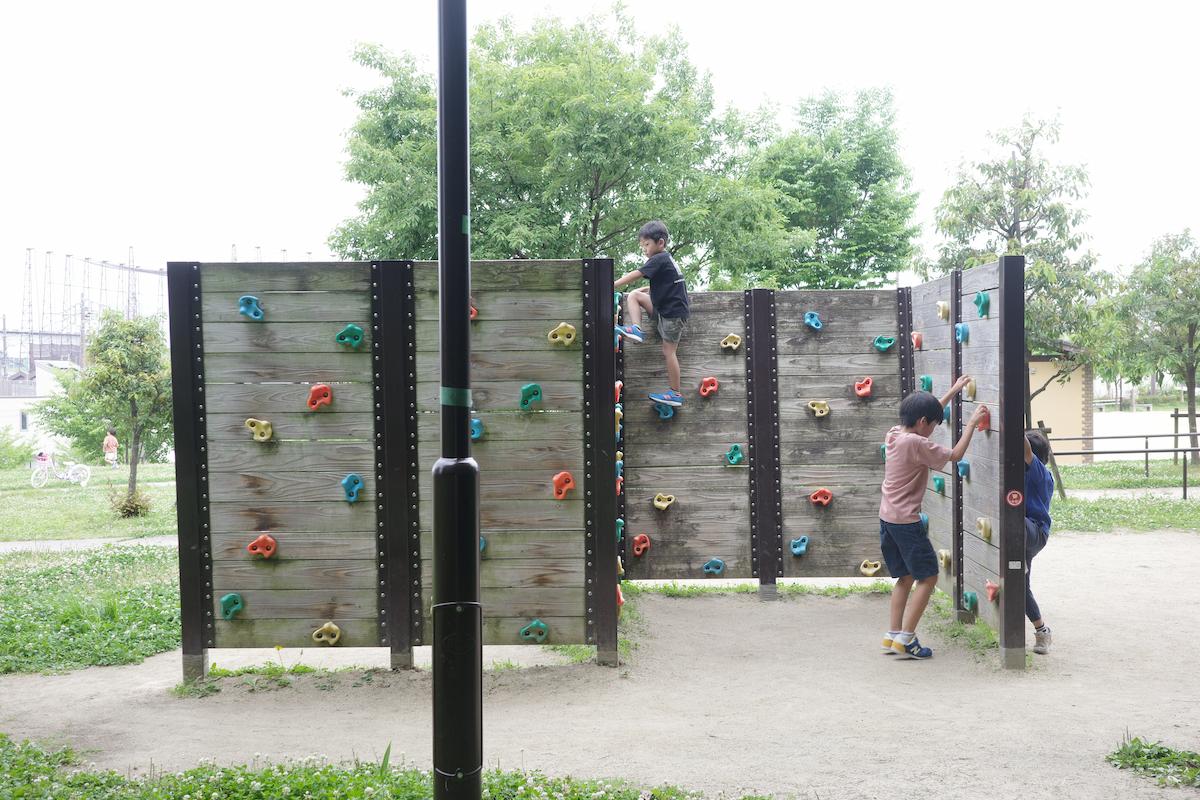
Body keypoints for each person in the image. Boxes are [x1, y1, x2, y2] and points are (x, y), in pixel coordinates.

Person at [879, 379, 987, 659]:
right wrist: (973, 423)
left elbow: (926, 413)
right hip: (906, 522)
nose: (934, 432)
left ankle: (893, 636)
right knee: (928, 577)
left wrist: (952, 392)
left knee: (904, 577)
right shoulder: (916, 443)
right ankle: (907, 638)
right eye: (934, 426)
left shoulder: (895, 434)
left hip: (887, 519)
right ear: (923, 422)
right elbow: (955, 455)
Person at [613, 220, 690, 407]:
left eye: (647, 245)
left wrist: (612, 284)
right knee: (634, 295)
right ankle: (636, 329)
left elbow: (636, 273)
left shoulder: (660, 258)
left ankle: (675, 393)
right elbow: (666, 285)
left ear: (660, 243)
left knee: (668, 351)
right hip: (665, 309)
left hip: (672, 314)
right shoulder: (666, 261)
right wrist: (646, 289)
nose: (644, 249)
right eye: (643, 246)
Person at [1024, 430, 1054, 654]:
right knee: (1020, 587)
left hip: (1034, 531)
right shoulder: (1021, 472)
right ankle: (1042, 631)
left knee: (1011, 518)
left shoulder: (1039, 472)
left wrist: (1009, 418)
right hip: (1022, 536)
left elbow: (1024, 449)